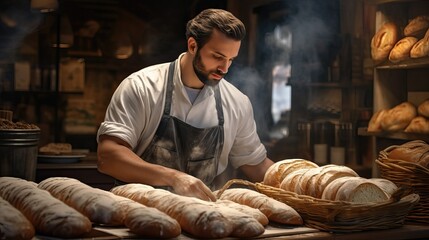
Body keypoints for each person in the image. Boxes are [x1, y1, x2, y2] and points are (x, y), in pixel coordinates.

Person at [96, 8, 274, 201]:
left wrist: (300, 181)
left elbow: (256, 164)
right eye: (217, 56)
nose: (224, 68)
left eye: (231, 59)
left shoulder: (237, 102)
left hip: (204, 218)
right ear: (192, 45)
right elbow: (108, 157)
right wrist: (175, 178)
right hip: (139, 213)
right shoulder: (142, 87)